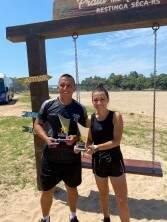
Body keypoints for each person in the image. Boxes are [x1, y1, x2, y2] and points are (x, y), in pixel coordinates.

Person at [34, 74, 88, 222]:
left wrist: (76, 139)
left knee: (72, 189)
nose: (65, 88)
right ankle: (45, 218)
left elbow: (84, 133)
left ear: (74, 88)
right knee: (47, 191)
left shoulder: (80, 108)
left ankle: (73, 216)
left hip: (72, 159)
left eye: (69, 85)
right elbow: (37, 124)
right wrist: (46, 138)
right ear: (58, 86)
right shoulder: (48, 104)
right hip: (50, 158)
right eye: (62, 85)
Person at [86, 84, 130, 222]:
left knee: (121, 199)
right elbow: (88, 140)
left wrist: (96, 147)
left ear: (107, 99)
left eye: (102, 99)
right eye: (95, 100)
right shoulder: (89, 119)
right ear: (92, 101)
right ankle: (106, 218)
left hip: (115, 161)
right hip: (98, 162)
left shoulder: (116, 116)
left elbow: (116, 141)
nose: (99, 103)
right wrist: (85, 148)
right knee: (103, 194)